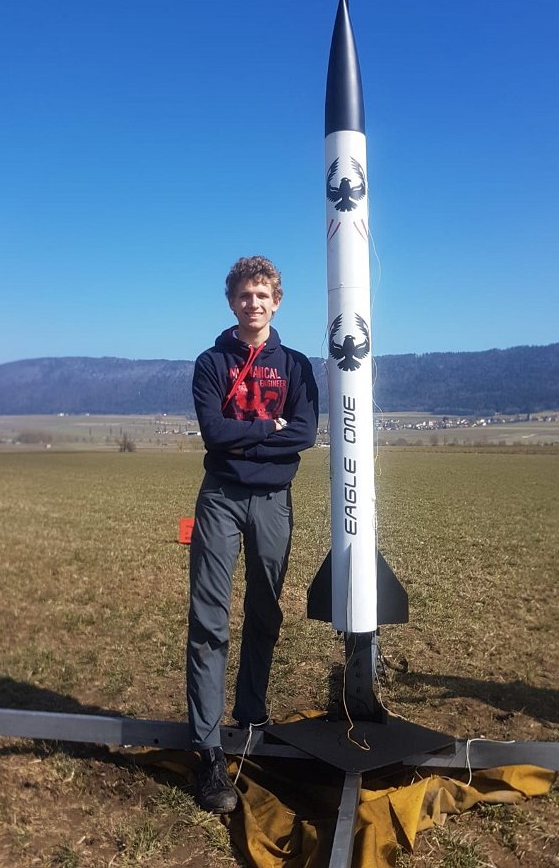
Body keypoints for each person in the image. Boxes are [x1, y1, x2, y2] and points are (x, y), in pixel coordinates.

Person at [187, 255, 319, 813]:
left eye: (263, 294)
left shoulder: (296, 365)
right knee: (209, 620)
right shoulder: (211, 362)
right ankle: (207, 749)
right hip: (220, 497)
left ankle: (251, 718)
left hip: (273, 501)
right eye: (245, 295)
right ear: (232, 302)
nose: (253, 303)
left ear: (277, 302)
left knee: (265, 610)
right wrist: (269, 428)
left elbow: (305, 433)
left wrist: (247, 438)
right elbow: (214, 433)